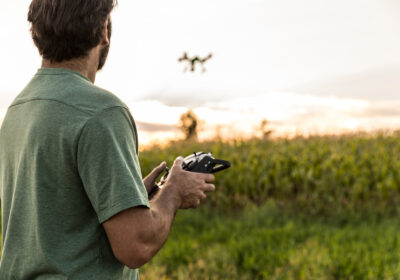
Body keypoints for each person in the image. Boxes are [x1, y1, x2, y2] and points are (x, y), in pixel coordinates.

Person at [0, 0, 215, 279]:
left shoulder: (17, 110)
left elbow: (56, 214)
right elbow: (135, 245)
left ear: (37, 33)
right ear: (104, 31)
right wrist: (173, 192)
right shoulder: (101, 112)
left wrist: (130, 197)